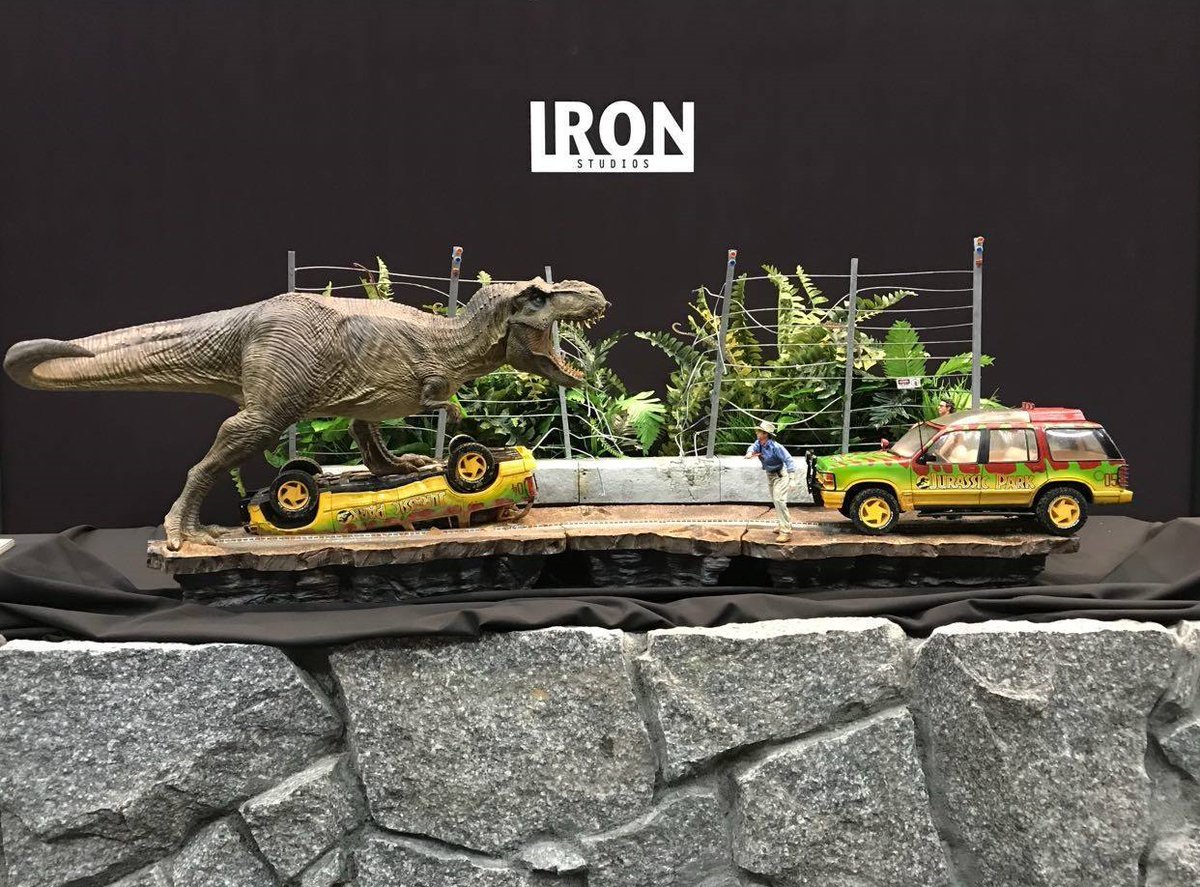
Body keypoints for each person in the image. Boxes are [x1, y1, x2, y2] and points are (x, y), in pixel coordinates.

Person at [744, 420, 796, 542]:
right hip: (770, 475)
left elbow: (789, 460)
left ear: (765, 434)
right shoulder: (759, 443)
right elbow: (753, 447)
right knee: (776, 501)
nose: (757, 432)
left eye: (759, 431)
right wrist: (750, 452)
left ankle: (786, 531)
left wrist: (792, 478)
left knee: (779, 501)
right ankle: (783, 524)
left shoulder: (776, 447)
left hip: (780, 476)